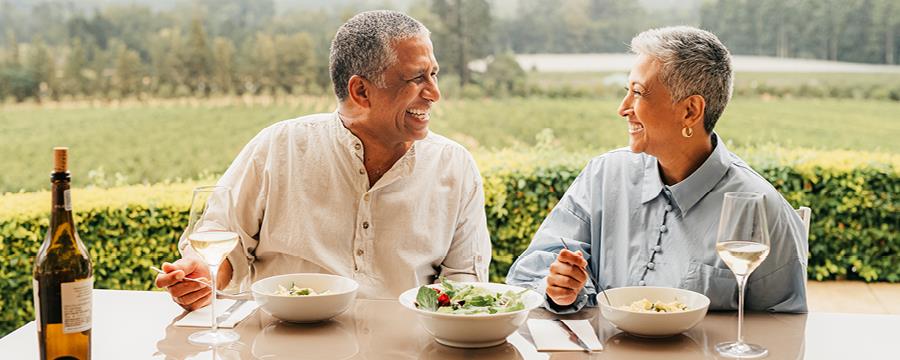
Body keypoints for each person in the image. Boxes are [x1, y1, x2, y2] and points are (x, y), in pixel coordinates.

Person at [155, 10, 491, 310]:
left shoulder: (455, 166)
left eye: (434, 74)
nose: (434, 93)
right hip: (278, 346)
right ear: (360, 92)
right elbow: (224, 238)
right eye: (417, 78)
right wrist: (203, 273)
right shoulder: (279, 146)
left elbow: (464, 287)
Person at [506, 26, 808, 314]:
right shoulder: (603, 176)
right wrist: (559, 288)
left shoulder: (761, 207)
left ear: (690, 111)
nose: (623, 108)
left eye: (638, 92)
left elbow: (785, 321)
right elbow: (533, 267)